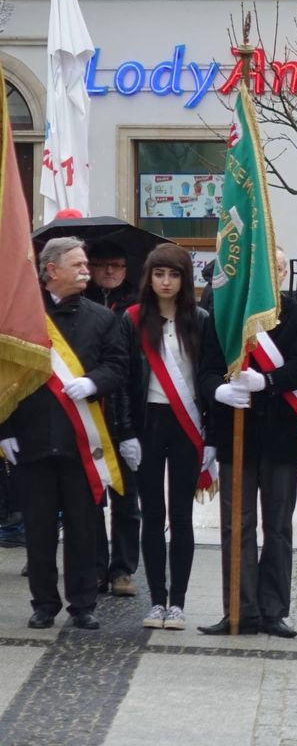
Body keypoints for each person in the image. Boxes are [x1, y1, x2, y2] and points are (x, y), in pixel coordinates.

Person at [0, 237, 129, 630]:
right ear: (51, 270)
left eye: (86, 263)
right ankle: (43, 604)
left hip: (81, 443)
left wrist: (93, 383)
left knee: (83, 527)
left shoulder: (102, 317)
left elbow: (119, 366)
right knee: (38, 529)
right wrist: (3, 429)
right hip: (32, 439)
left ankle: (83, 603)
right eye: (78, 264)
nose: (86, 269)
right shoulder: (23, 318)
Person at [197, 247, 297, 637]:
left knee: (278, 526)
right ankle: (239, 609)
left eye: (279, 267)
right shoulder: (228, 315)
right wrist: (219, 391)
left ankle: (273, 610)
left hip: (280, 436)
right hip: (237, 434)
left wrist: (267, 381)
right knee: (236, 524)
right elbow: (208, 369)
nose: (273, 273)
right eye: (267, 267)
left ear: (282, 274)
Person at [116, 244, 212, 630]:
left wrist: (213, 437)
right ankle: (157, 600)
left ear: (184, 279)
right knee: (152, 514)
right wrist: (126, 433)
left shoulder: (202, 319)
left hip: (187, 424)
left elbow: (208, 375)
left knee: (182, 516)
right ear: (150, 278)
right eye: (159, 274)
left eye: (173, 275)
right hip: (147, 424)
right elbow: (123, 381)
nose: (166, 282)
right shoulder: (133, 319)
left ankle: (179, 603)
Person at [84, 241, 142, 598]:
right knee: (89, 498)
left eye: (116, 265)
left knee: (126, 497)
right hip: (87, 411)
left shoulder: (137, 306)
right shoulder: (81, 305)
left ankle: (122, 569)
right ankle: (93, 568)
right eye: (101, 264)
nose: (109, 271)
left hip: (126, 416)